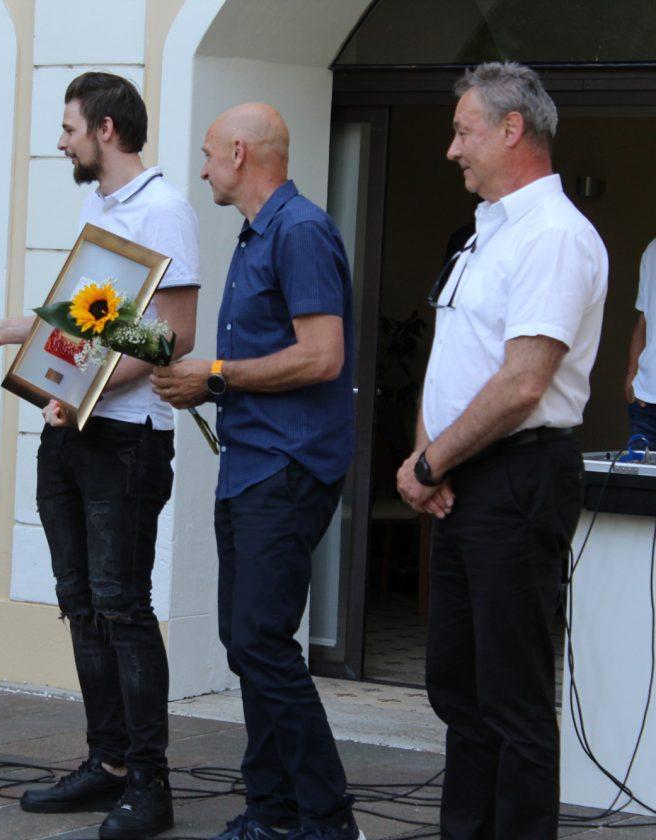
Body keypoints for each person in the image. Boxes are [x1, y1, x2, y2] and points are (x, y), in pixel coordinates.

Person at [0, 72, 199, 839]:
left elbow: (173, 335)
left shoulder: (164, 209)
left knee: (122, 606)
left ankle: (151, 784)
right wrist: (7, 332)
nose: (61, 142)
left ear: (104, 129)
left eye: (69, 128)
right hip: (72, 428)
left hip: (127, 438)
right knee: (81, 600)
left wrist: (86, 387)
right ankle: (109, 763)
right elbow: (88, 317)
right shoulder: (99, 204)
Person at [395, 62, 607, 839]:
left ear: (512, 130)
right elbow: (455, 360)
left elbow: (522, 383)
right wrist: (428, 454)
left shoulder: (553, 236)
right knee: (458, 687)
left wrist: (430, 463)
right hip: (464, 476)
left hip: (517, 476)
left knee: (512, 697)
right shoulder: (486, 235)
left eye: (463, 131)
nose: (452, 149)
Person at [152, 103, 363, 840]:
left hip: (287, 466)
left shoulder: (299, 230)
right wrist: (207, 381)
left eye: (210, 153)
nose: (203, 169)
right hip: (252, 466)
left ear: (240, 153)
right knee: (249, 645)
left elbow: (322, 356)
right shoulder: (259, 233)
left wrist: (214, 376)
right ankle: (273, 813)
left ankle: (327, 821)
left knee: (261, 643)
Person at [625, 240, 656, 444]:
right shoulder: (653, 250)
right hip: (647, 404)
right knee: (637, 465)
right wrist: (631, 375)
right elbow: (643, 321)